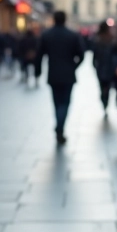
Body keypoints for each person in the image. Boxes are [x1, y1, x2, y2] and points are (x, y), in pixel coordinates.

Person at [36, 11, 85, 144]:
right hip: (68, 74)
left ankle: (59, 126)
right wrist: (73, 66)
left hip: (53, 74)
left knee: (57, 102)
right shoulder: (73, 35)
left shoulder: (47, 35)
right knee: (65, 102)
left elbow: (39, 55)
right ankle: (60, 127)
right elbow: (81, 55)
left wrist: (38, 71)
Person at [92, 21, 116, 114]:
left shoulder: (97, 40)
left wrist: (94, 65)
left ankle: (104, 100)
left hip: (100, 67)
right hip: (110, 67)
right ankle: (106, 100)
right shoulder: (112, 39)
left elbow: (94, 56)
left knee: (102, 86)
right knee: (108, 86)